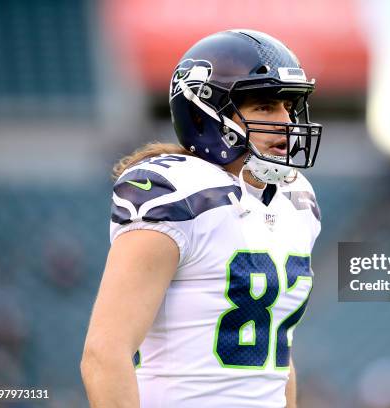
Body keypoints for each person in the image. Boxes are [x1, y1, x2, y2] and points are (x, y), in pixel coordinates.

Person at [81, 29, 323, 408]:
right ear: (206, 112)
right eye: (264, 106)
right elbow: (104, 354)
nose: (285, 121)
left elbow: (278, 360)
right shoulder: (175, 194)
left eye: (288, 107)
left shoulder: (295, 200)